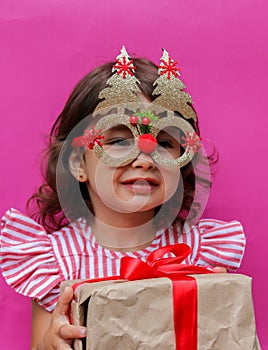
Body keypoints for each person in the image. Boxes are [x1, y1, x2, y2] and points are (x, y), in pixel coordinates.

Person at [0, 47, 245, 350]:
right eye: (118, 140)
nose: (145, 158)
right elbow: (40, 343)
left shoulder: (196, 252)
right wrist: (52, 341)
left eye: (165, 142)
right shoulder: (54, 262)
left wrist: (214, 295)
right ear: (78, 163)